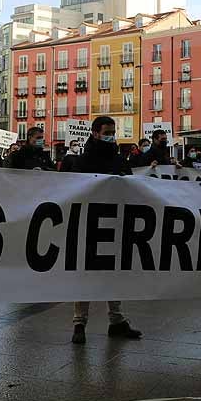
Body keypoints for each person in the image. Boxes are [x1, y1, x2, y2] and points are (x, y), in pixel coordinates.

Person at [71, 116, 141, 344]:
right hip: (89, 223)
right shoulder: (82, 161)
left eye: (113, 131)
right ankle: (79, 323)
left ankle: (117, 321)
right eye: (107, 131)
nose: (112, 135)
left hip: (115, 222)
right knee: (86, 272)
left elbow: (131, 185)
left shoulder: (119, 160)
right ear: (95, 133)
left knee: (114, 272)